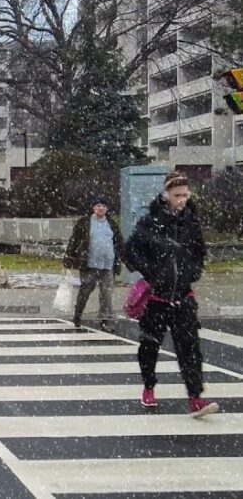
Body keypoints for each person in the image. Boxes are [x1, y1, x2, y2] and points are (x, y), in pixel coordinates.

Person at [124, 172, 219, 418]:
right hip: (156, 298)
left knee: (189, 348)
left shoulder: (191, 222)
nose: (182, 200)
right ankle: (149, 386)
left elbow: (199, 252)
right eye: (178, 195)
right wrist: (151, 271)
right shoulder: (150, 221)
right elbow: (131, 252)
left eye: (186, 195)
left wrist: (193, 272)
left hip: (184, 296)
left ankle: (195, 397)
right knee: (150, 345)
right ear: (166, 195)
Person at [64, 196, 125, 332]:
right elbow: (74, 240)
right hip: (89, 264)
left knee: (106, 294)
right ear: (93, 208)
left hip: (107, 264)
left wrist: (126, 259)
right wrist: (69, 256)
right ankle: (78, 314)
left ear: (107, 208)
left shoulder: (111, 224)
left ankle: (106, 320)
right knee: (85, 290)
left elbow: (119, 243)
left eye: (104, 205)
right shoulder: (85, 223)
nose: (101, 208)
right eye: (98, 205)